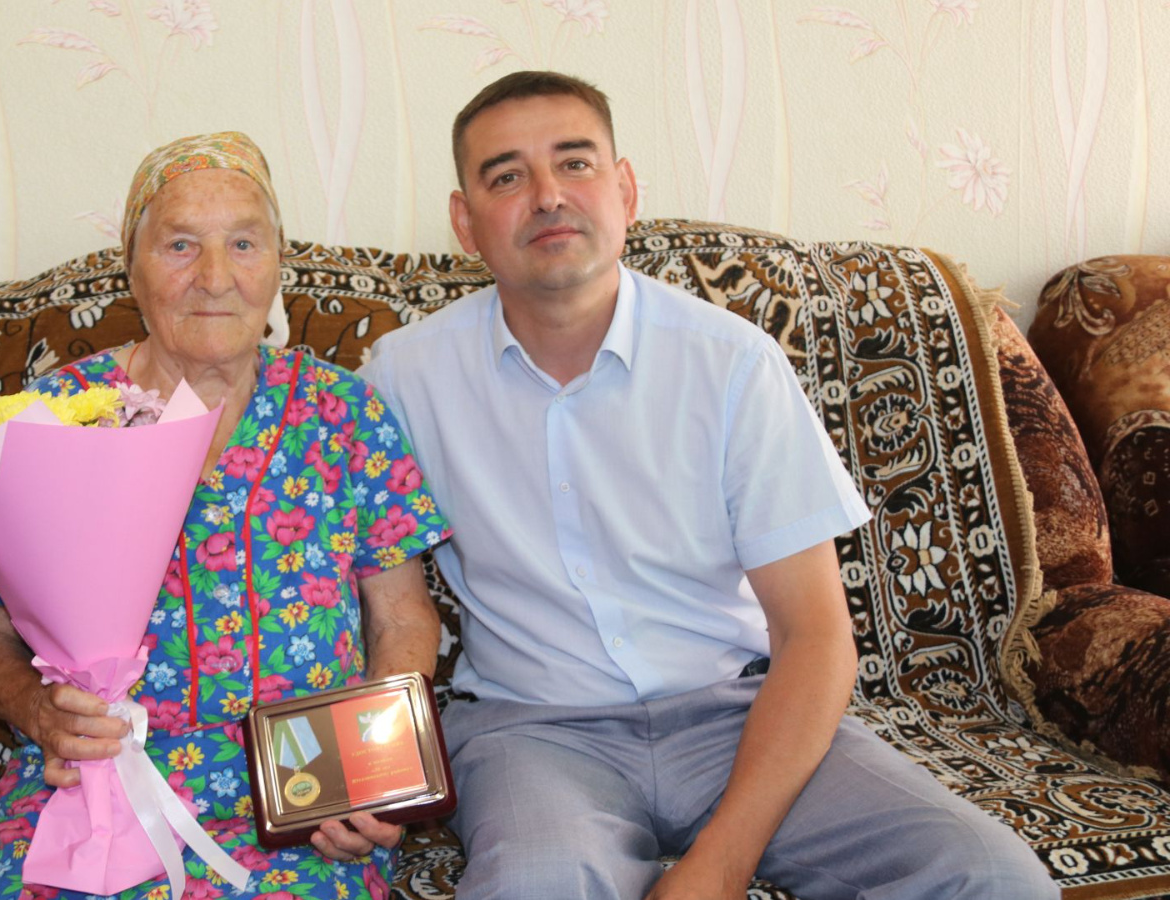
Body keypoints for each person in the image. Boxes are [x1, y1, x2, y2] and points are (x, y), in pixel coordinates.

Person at [360, 72, 1058, 900]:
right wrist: (368, 776)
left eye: (575, 163)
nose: (547, 195)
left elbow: (814, 635)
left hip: (737, 717)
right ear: (465, 221)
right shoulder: (402, 379)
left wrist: (721, 863)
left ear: (625, 190)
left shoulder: (732, 364)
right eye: (506, 176)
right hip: (534, 732)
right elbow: (390, 613)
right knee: (536, 887)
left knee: (993, 877)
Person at [0, 132, 451, 900]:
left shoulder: (344, 412)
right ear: (132, 267)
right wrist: (42, 715)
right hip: (104, 782)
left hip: (301, 791)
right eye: (180, 245)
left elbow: (404, 618)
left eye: (243, 243)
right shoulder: (57, 416)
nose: (215, 277)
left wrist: (375, 773)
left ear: (277, 263)